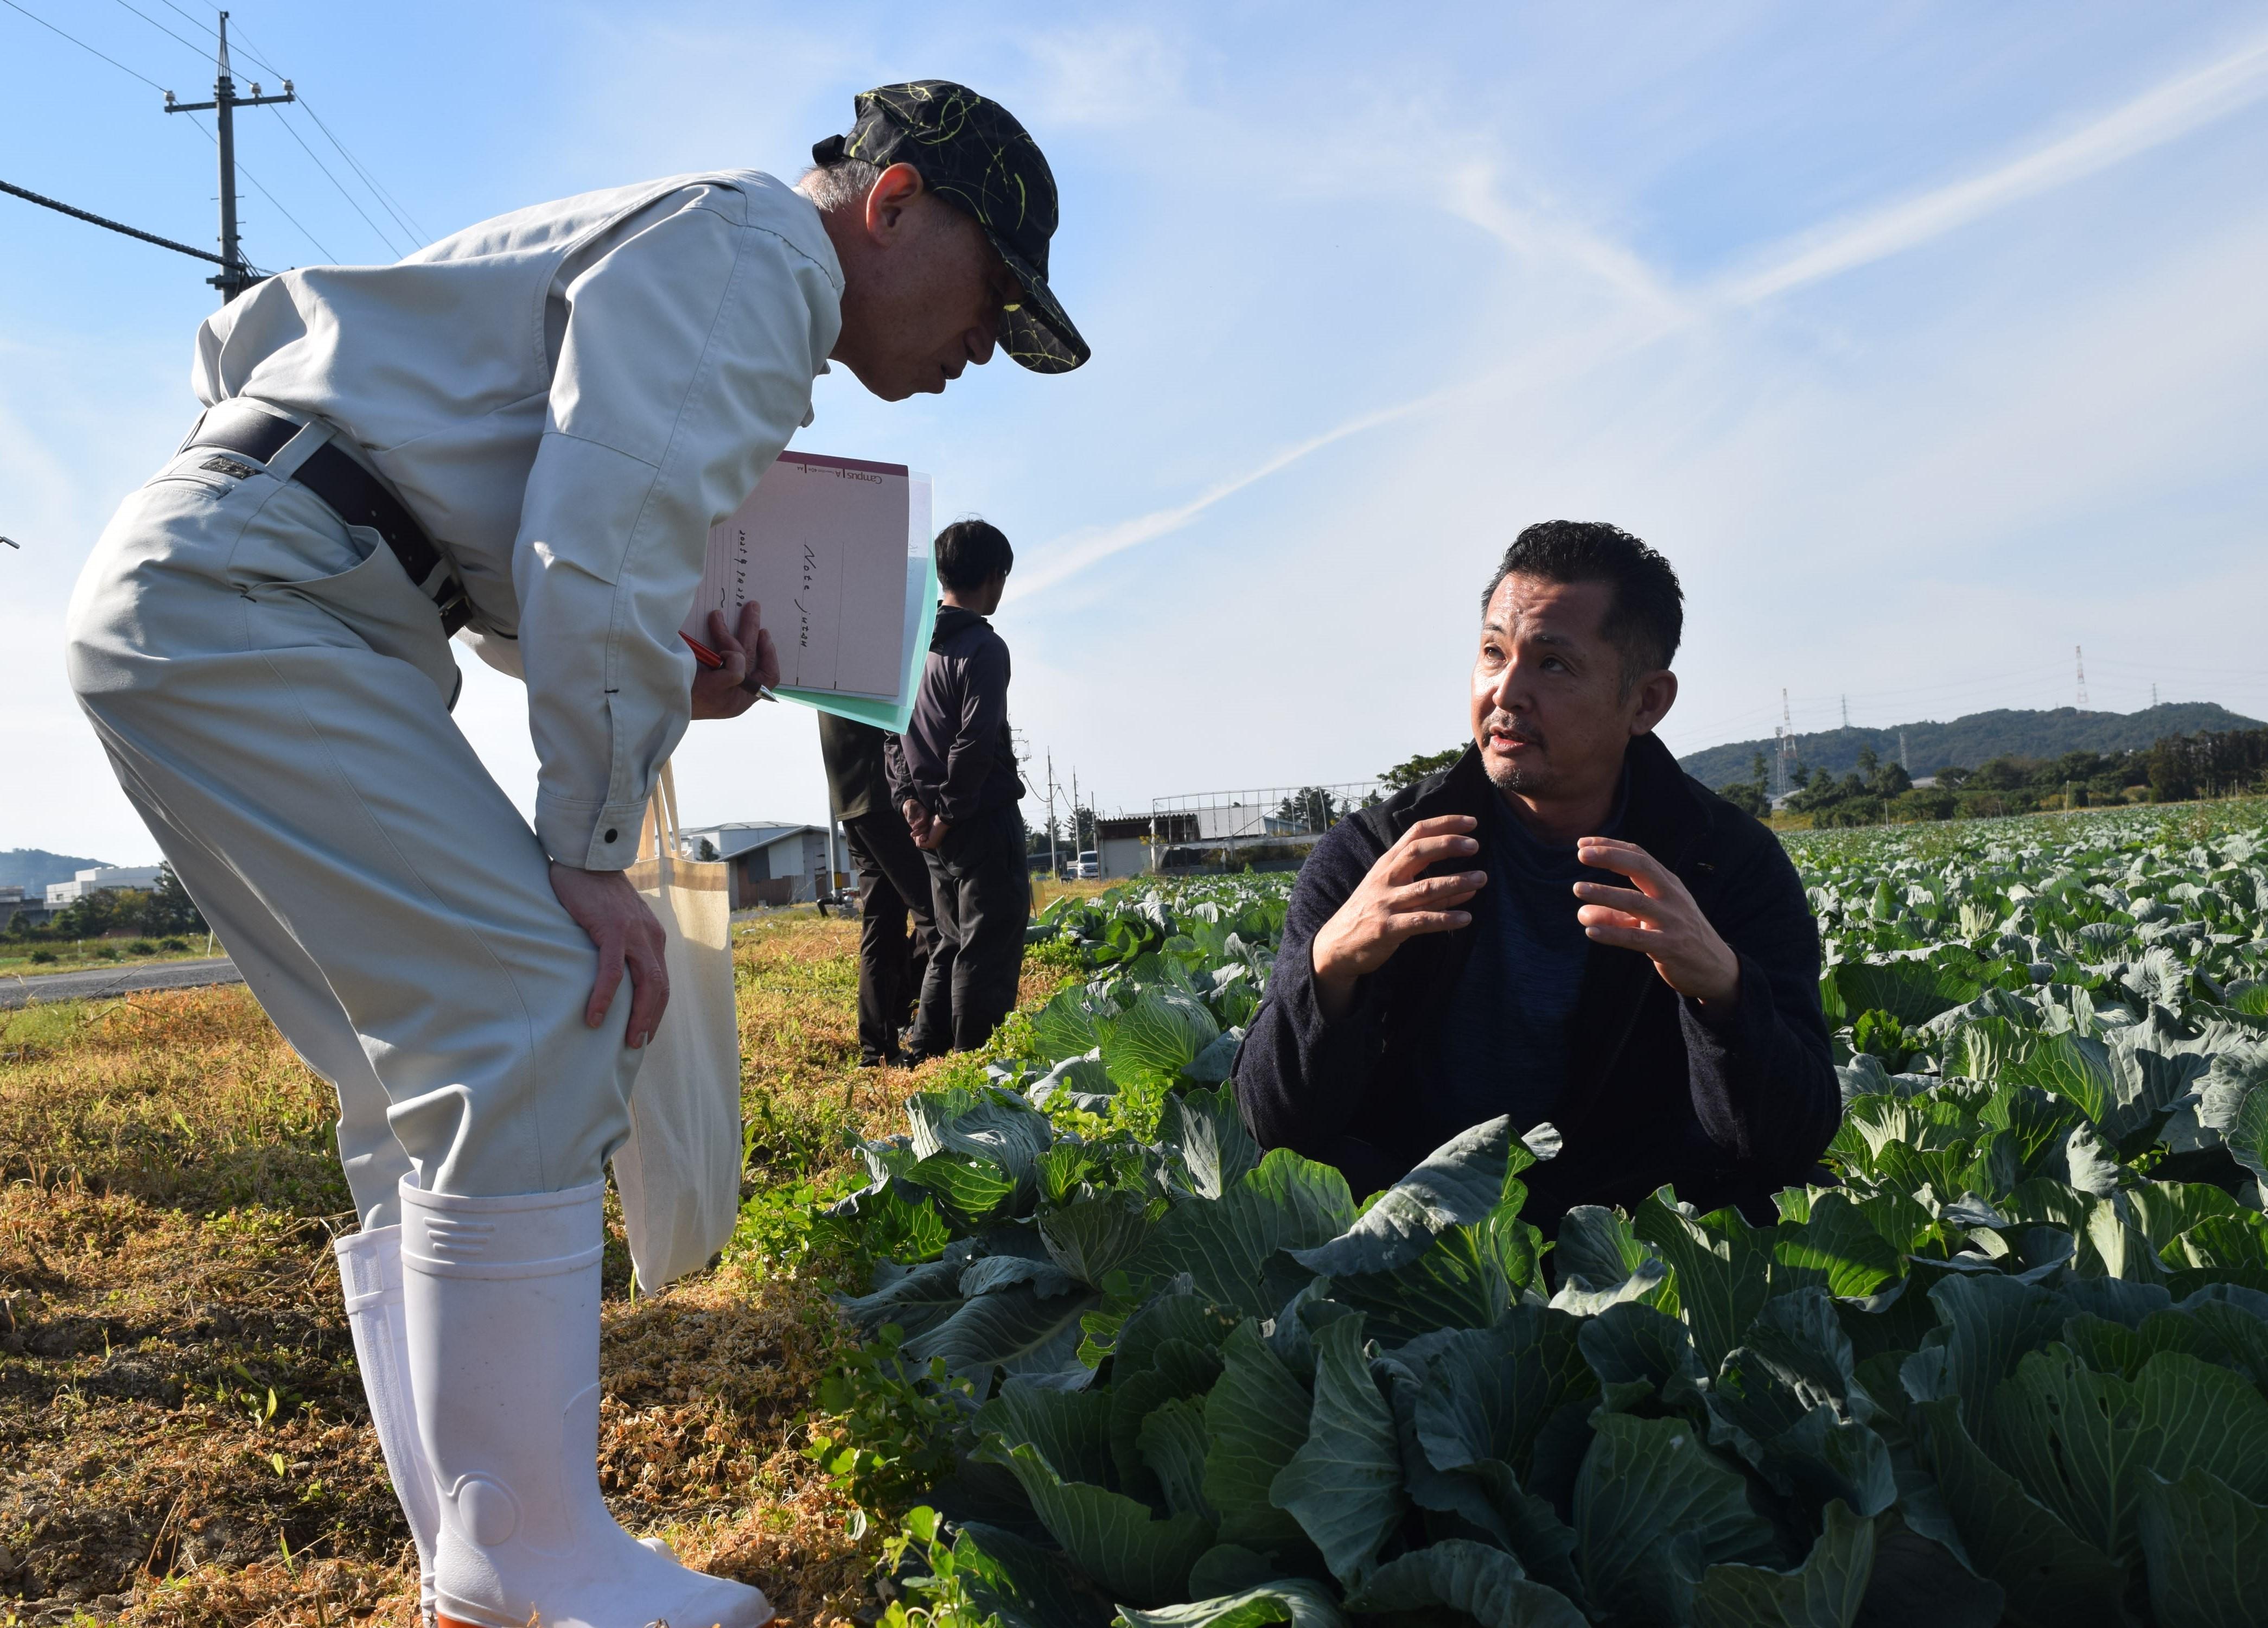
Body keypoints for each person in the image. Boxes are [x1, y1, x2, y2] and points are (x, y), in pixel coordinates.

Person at [64, 81, 1086, 1628]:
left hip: (232, 584)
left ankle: (473, 1556)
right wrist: (589, 851)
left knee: (416, 1069)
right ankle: (527, 1552)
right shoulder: (761, 261)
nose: (975, 351)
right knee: (539, 1000)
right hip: (271, 599)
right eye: (989, 297)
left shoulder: (709, 249)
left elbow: (528, 536)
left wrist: (679, 677)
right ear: (890, 208)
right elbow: (591, 545)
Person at [1233, 522, 1839, 1235]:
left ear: (1645, 702)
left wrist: (1725, 993)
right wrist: (1328, 970)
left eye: (1553, 665)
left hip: (1639, 1252)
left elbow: (1791, 1141)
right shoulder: (1374, 854)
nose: (1506, 692)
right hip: (1417, 1245)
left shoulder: (1725, 865)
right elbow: (1275, 1124)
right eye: (1494, 653)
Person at [885, 520, 1030, 1055]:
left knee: (948, 940)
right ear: (994, 576)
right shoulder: (982, 650)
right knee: (987, 944)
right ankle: (976, 1061)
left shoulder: (915, 650)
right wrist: (946, 813)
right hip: (980, 820)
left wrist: (912, 806)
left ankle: (927, 1048)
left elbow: (891, 735)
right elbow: (973, 742)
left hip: (934, 829)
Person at [818, 712, 936, 1066]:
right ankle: (931, 1033)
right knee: (939, 916)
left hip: (850, 800)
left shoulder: (825, 660)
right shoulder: (864, 657)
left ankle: (879, 1049)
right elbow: (894, 717)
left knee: (881, 924)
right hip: (886, 796)